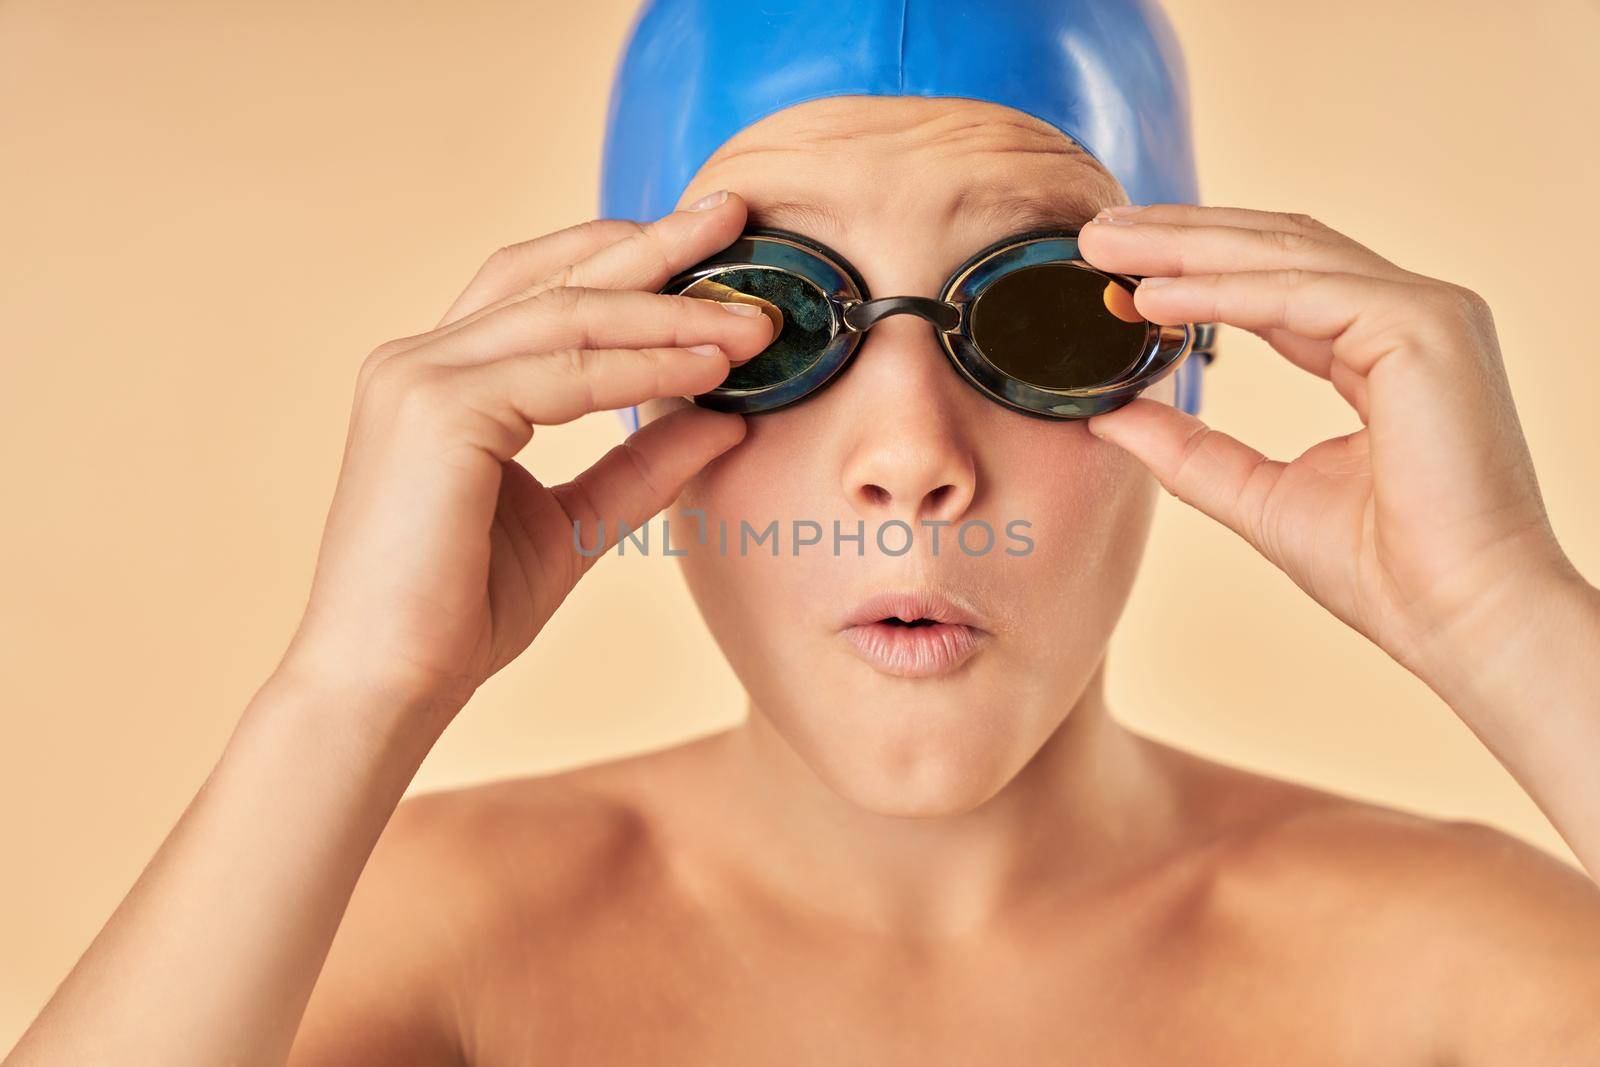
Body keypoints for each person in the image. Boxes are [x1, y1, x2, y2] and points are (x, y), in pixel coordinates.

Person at [8, 4, 1600, 1066]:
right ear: (619, 382)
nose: (909, 462)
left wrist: (1508, 618)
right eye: (768, 322)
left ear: (1186, 358)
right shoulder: (409, 944)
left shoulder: (1453, 977)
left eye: (1040, 317)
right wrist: (349, 691)